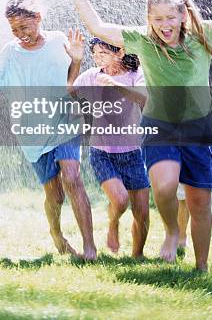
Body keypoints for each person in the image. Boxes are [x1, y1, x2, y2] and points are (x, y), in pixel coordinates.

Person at [70, 0, 212, 271]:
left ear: (183, 16)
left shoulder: (202, 35)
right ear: (149, 19)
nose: (164, 24)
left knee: (199, 201)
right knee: (165, 186)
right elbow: (98, 27)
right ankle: (171, 231)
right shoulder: (143, 39)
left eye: (170, 17)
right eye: (157, 18)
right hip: (159, 125)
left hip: (198, 128)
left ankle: (202, 267)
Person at [0, 0, 97, 260]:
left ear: (39, 17)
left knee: (73, 179)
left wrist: (76, 60)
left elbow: (70, 87)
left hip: (65, 123)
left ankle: (90, 248)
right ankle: (57, 234)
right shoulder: (9, 52)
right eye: (15, 30)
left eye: (25, 27)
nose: (21, 35)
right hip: (31, 132)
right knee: (55, 196)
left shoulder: (57, 42)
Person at [73, 37, 150, 258]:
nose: (98, 59)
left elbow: (143, 99)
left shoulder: (136, 75)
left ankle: (137, 256)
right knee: (120, 199)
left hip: (133, 153)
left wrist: (114, 84)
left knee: (142, 212)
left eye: (103, 53)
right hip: (101, 152)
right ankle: (113, 223)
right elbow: (69, 91)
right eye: (95, 54)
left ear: (120, 52)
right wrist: (77, 60)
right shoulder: (91, 76)